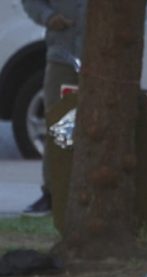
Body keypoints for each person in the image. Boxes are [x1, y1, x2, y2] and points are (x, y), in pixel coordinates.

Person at [21, 0, 86, 216]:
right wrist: (48, 17)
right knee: (60, 124)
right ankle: (53, 192)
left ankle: (96, 193)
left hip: (105, 57)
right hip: (63, 54)